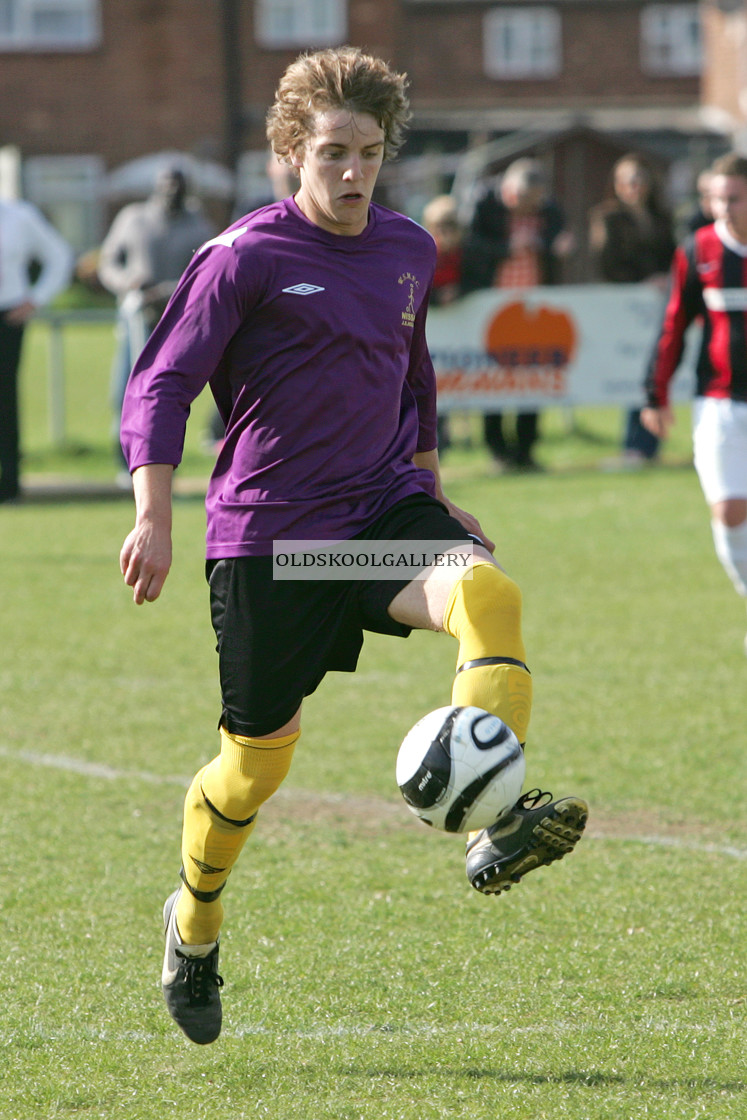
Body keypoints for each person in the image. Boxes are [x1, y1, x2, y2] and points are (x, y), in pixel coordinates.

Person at [119, 46, 588, 1046]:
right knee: (254, 769)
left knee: (489, 598)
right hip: (275, 546)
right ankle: (194, 924)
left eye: (368, 152)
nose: (352, 172)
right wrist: (152, 512)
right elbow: (159, 382)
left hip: (376, 520)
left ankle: (496, 819)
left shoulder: (408, 249)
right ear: (291, 152)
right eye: (332, 151)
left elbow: (413, 376)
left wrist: (431, 491)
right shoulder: (243, 256)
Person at [641, 152, 747, 653]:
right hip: (719, 404)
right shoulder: (699, 249)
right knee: (728, 510)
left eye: (734, 198)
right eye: (717, 198)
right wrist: (654, 393)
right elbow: (673, 324)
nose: (723, 208)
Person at [98, 165, 215, 472]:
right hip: (135, 315)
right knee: (124, 387)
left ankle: (160, 463)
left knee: (165, 393)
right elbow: (108, 263)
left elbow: (207, 271)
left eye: (178, 185)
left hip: (175, 319)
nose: (171, 191)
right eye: (166, 184)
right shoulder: (133, 218)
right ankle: (125, 463)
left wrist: (171, 290)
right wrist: (129, 282)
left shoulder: (198, 226)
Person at [465, 158, 573, 472]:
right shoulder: (484, 205)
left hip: (533, 307)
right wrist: (508, 248)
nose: (528, 208)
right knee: (493, 379)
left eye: (534, 203)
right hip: (493, 306)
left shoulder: (549, 211)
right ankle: (498, 451)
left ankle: (525, 451)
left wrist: (556, 245)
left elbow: (558, 240)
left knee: (533, 378)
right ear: (510, 191)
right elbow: (472, 246)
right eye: (524, 201)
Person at [589, 152, 676, 466]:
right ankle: (633, 444)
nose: (633, 186)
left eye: (638, 179)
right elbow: (606, 263)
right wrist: (642, 281)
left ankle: (651, 445)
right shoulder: (608, 217)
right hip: (624, 308)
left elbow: (672, 254)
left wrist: (665, 277)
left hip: (658, 307)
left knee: (655, 371)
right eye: (626, 180)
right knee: (630, 375)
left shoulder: (661, 217)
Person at [0, 194, 73, 503]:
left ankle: (9, 482)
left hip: (8, 316)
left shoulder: (19, 215)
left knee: (5, 396)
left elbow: (59, 255)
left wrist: (37, 298)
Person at [421, 193, 466, 454]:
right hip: (430, 332)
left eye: (450, 227)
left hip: (459, 331)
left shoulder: (466, 253)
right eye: (440, 228)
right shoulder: (426, 253)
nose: (445, 234)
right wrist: (439, 297)